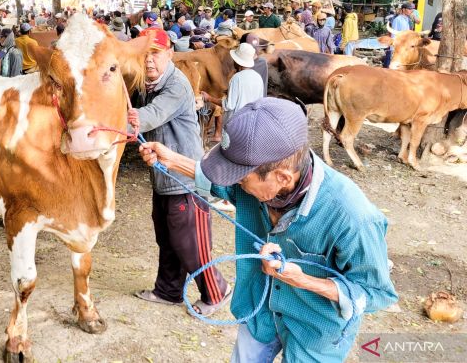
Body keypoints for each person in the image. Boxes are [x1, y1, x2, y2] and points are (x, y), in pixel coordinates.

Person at [138, 97, 397, 362]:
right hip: (259, 311)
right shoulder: (258, 185)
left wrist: (302, 280)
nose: (235, 184)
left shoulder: (353, 216)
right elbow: (220, 184)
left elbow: (376, 293)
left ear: (283, 177)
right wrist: (172, 161)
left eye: (241, 177)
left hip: (316, 332)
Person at [128, 27, 231, 315]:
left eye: (156, 54)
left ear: (170, 54)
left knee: (191, 244)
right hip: (162, 176)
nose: (149, 61)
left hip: (184, 177)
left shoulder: (176, 85)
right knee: (167, 239)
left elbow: (149, 117)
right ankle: (168, 291)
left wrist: (102, 125)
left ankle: (216, 292)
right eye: (145, 54)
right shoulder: (146, 86)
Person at [201, 42, 263, 133]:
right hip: (251, 121)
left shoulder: (237, 78)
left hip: (236, 123)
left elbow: (229, 105)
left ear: (238, 62)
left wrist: (209, 98)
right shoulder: (258, 77)